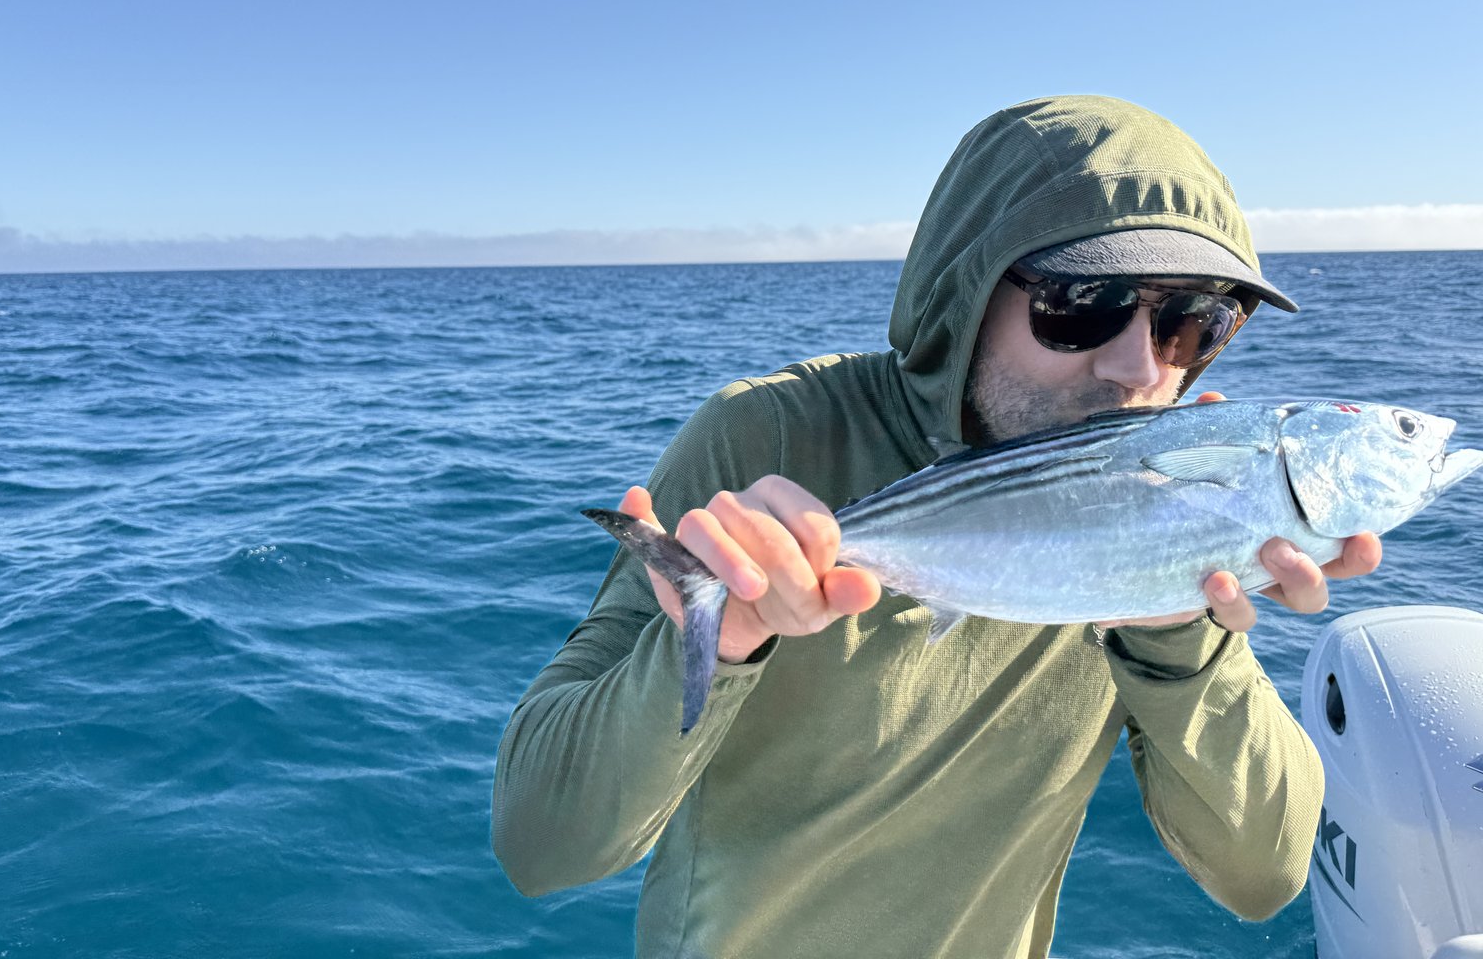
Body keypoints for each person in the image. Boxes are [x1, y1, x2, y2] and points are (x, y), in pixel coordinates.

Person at [492, 95, 1380, 959]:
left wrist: (1177, 629)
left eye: (1192, 323)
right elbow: (542, 846)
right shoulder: (770, 436)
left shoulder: (1173, 504)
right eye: (1084, 302)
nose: (1139, 369)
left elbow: (1262, 875)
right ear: (969, 286)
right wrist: (718, 644)